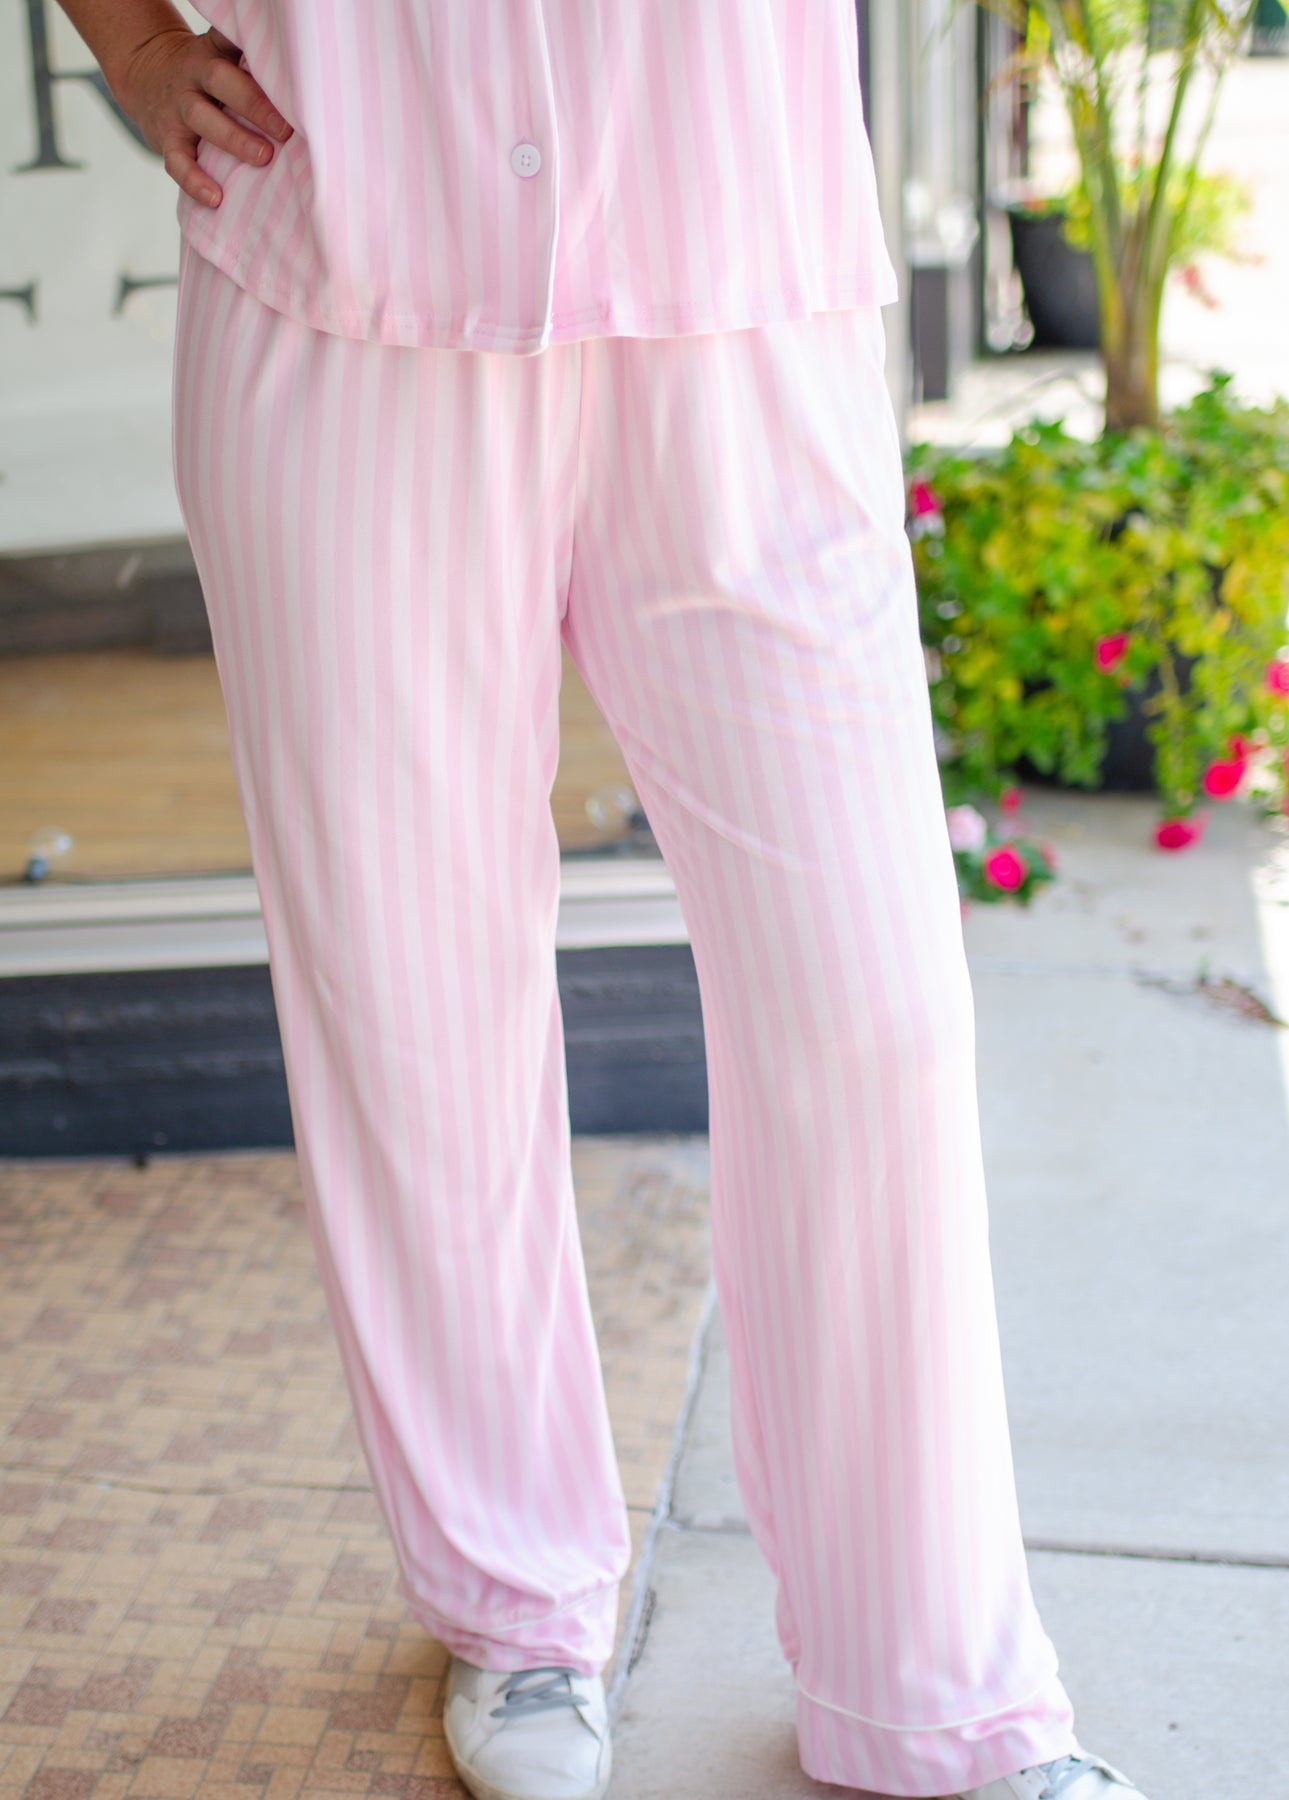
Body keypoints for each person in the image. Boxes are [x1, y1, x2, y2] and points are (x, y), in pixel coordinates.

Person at [55, 5, 1150, 1799]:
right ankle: (514, 1600)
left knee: (871, 1008)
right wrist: (128, 38)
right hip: (347, 259)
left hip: (740, 281)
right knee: (410, 995)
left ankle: (932, 1689)